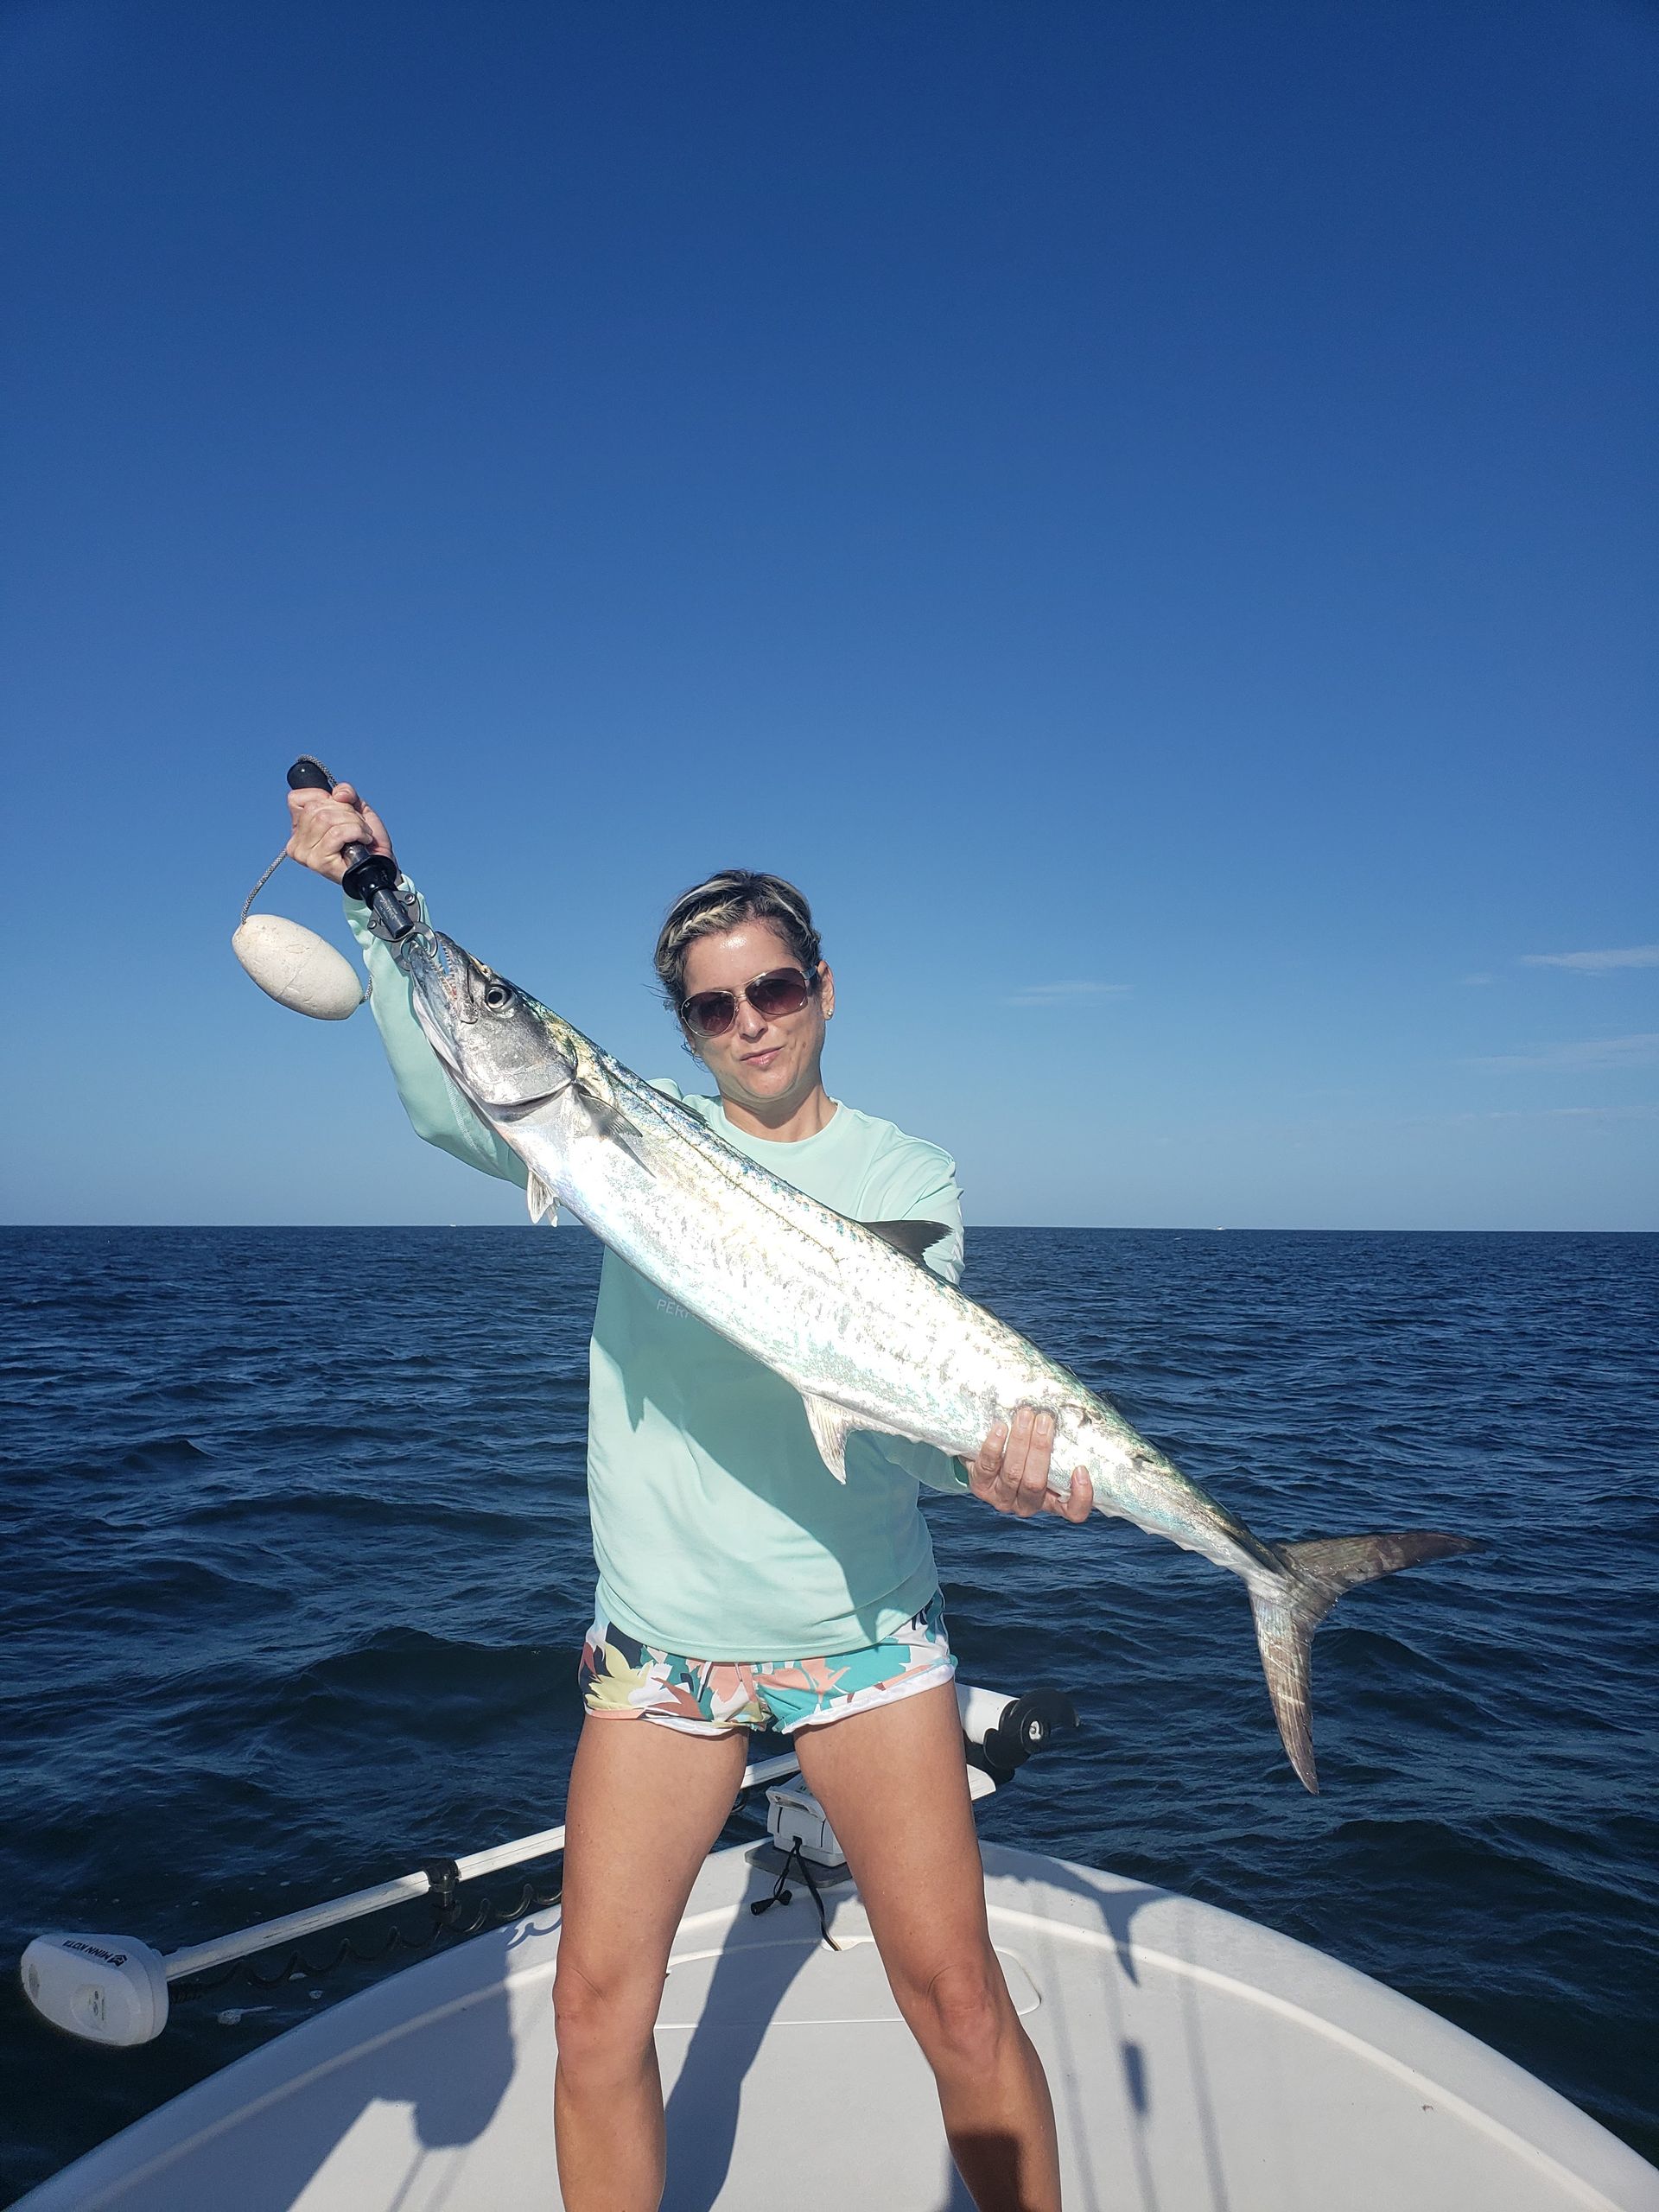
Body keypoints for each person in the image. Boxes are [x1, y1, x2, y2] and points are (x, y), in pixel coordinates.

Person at [287, 781, 1095, 2212]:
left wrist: (990, 1464)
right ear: (684, 1033)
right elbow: (449, 1092)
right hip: (662, 1643)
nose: (754, 1024)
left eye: (775, 988)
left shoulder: (905, 1172)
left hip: (865, 1638)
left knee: (959, 2004)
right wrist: (379, 905)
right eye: (716, 1010)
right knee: (596, 2011)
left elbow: (910, 1423)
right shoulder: (611, 1130)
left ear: (825, 988)